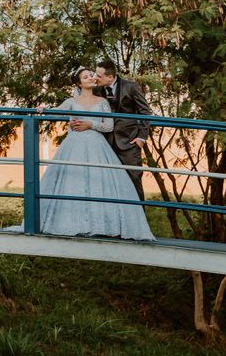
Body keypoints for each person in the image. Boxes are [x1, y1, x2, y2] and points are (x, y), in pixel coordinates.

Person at [33, 67, 155, 240]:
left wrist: (90, 124)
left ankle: (101, 224)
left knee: (98, 183)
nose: (91, 78)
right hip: (74, 146)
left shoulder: (102, 101)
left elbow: (109, 126)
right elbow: (55, 111)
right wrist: (43, 108)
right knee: (74, 181)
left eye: (92, 75)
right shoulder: (71, 102)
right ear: (79, 83)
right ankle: (72, 223)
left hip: (97, 146)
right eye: (86, 77)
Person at [93, 60, 152, 200]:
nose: (96, 78)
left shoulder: (131, 87)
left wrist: (142, 138)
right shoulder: (96, 90)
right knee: (107, 182)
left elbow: (145, 112)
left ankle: (138, 218)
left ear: (110, 77)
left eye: (99, 75)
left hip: (129, 142)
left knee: (134, 180)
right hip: (105, 143)